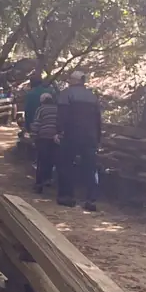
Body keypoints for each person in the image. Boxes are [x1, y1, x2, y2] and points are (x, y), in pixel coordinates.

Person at [55, 70, 102, 211]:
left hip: (71, 135)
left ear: (74, 80)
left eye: (70, 79)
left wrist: (59, 131)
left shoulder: (66, 94)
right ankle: (91, 199)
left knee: (66, 165)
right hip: (90, 137)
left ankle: (67, 196)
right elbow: (98, 119)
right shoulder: (92, 96)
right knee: (90, 167)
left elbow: (62, 115)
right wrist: (97, 137)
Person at [30, 92, 58, 194]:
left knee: (41, 160)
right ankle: (48, 179)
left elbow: (37, 123)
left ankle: (39, 184)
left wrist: (33, 137)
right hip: (56, 138)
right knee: (51, 160)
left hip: (43, 137)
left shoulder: (41, 109)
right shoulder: (57, 109)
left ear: (42, 101)